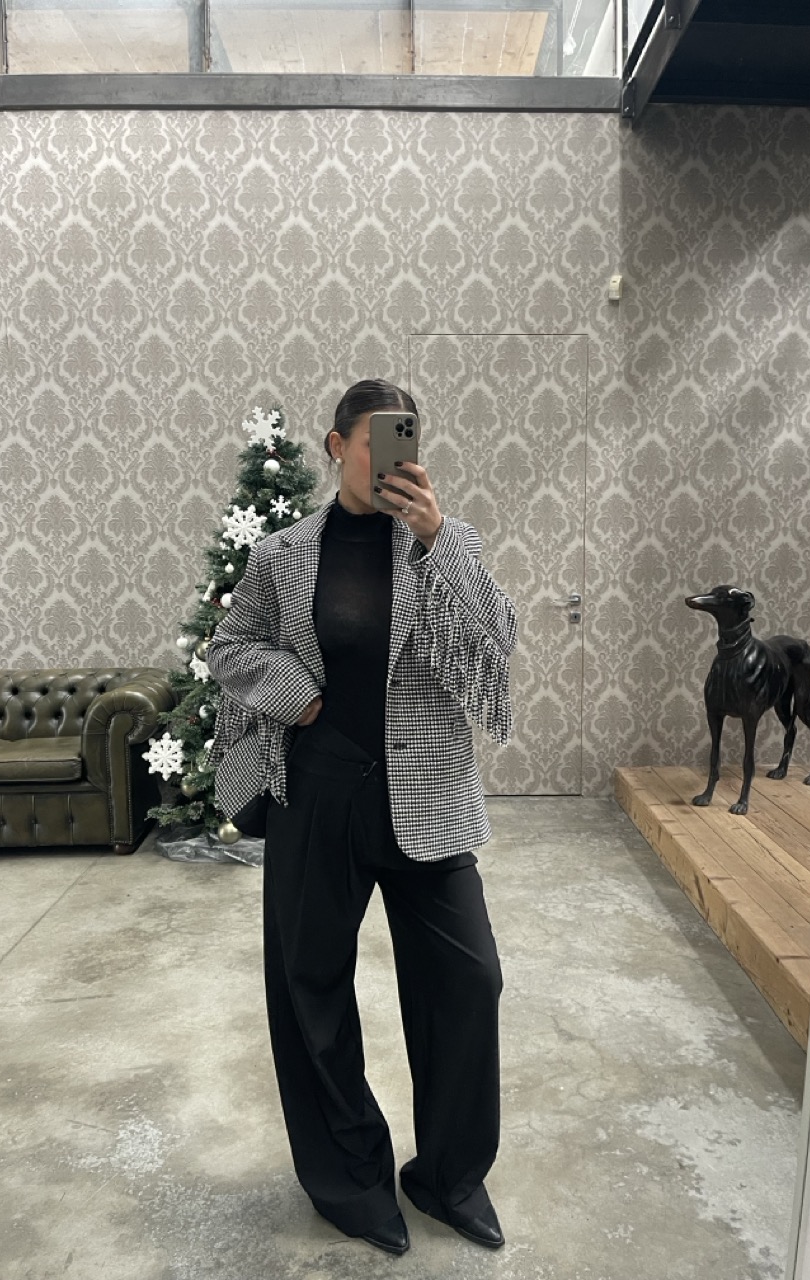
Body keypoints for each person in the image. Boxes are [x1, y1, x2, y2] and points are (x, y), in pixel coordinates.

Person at [205, 378, 518, 1256]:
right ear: (338, 446)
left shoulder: (448, 541)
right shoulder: (281, 555)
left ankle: (448, 1176)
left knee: (469, 982)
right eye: (372, 439)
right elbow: (230, 646)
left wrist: (437, 539)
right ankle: (350, 1176)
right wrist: (294, 692)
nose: (387, 456)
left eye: (403, 438)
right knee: (310, 988)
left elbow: (496, 645)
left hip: (429, 797)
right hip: (318, 797)